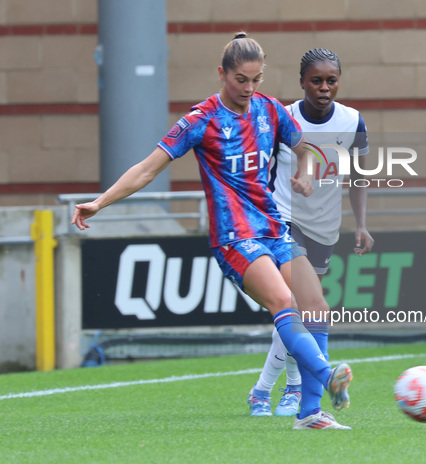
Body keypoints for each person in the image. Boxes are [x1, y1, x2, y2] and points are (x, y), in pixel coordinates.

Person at [71, 33, 353, 431]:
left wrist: (305, 174)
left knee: (316, 307)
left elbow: (305, 147)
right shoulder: (200, 120)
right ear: (222, 74)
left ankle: (310, 415)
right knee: (282, 302)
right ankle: (327, 378)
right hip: (235, 236)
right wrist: (99, 202)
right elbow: (147, 168)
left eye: (256, 79)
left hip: (274, 227)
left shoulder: (270, 111)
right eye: (241, 80)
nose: (249, 89)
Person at [247, 49, 374, 423]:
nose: (324, 88)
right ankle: (300, 394)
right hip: (283, 221)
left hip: (324, 226)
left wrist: (361, 224)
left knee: (300, 312)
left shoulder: (352, 121)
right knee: (305, 308)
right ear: (302, 82)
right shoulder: (282, 118)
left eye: (331, 80)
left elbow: (359, 178)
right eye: (316, 80)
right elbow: (257, 170)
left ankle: (264, 391)